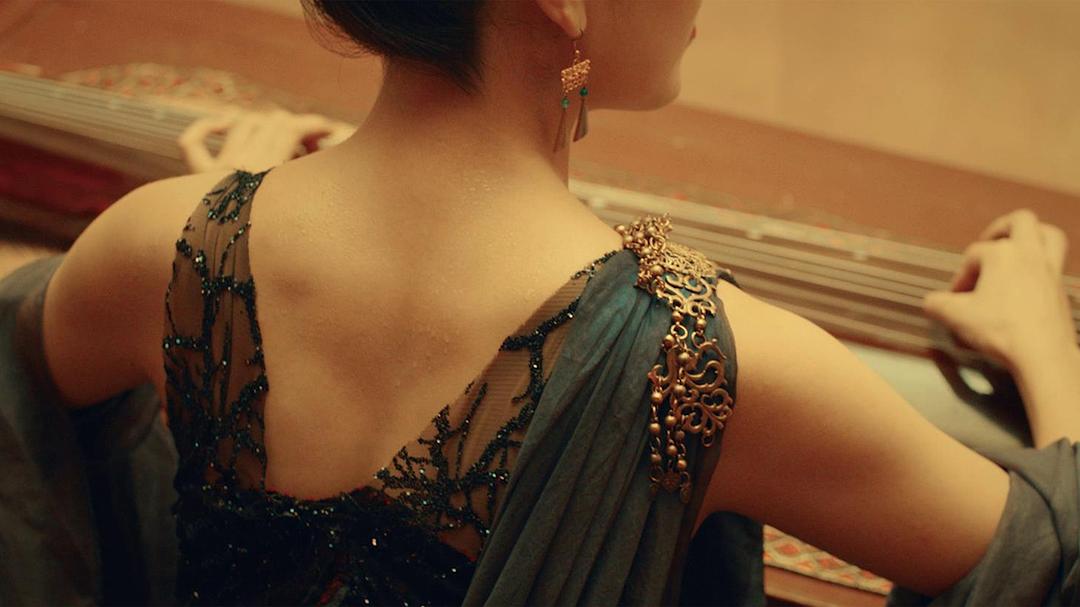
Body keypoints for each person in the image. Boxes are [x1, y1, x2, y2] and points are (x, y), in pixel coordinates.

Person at [1, 0, 1079, 605]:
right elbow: (1049, 560)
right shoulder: (706, 363)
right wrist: (1049, 350)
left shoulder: (162, 250)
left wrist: (225, 204)